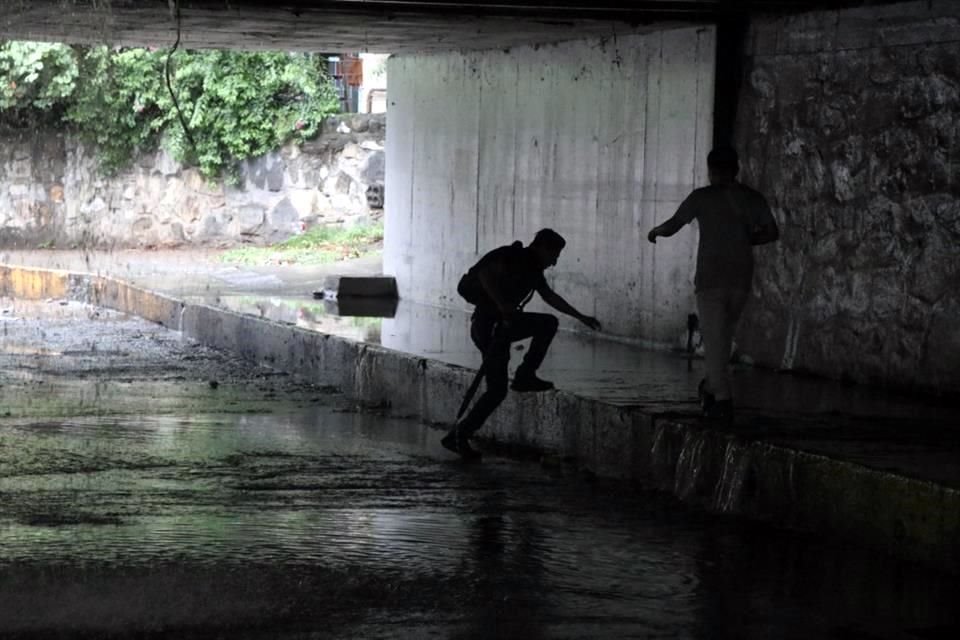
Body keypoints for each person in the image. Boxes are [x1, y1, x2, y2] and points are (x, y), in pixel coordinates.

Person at [442, 228, 602, 460]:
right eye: (554, 255)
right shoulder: (513, 256)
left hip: (503, 326)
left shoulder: (533, 270)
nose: (554, 262)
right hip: (488, 326)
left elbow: (550, 297)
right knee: (497, 389)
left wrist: (581, 317)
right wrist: (503, 306)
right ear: (542, 248)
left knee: (545, 326)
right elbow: (486, 274)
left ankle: (460, 434)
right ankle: (459, 435)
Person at [646, 147, 779, 424]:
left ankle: (721, 399)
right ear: (737, 168)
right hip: (741, 277)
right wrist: (744, 240)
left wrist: (655, 231)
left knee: (715, 340)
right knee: (723, 337)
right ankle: (711, 388)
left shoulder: (701, 198)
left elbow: (673, 224)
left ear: (711, 170)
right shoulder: (752, 198)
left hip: (710, 278)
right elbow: (771, 232)